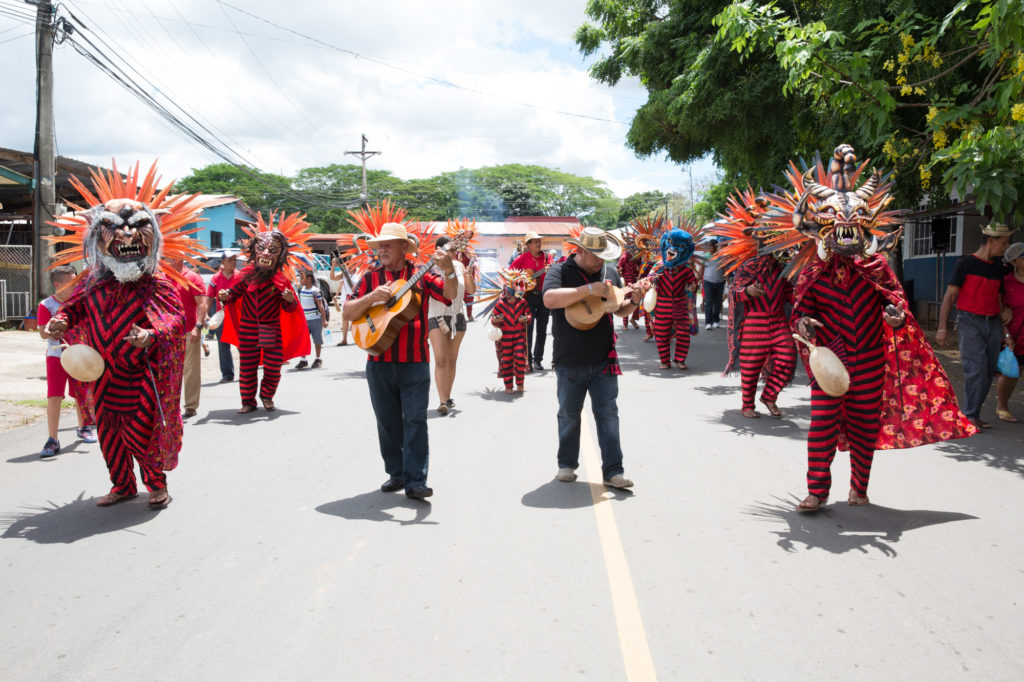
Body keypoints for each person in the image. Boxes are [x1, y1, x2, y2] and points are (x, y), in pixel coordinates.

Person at [44, 163, 215, 509]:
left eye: (137, 228)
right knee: (109, 435)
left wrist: (151, 334)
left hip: (142, 376)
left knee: (142, 433)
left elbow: (174, 319)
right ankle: (121, 485)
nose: (126, 236)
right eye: (113, 229)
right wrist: (59, 321)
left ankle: (155, 485)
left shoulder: (158, 284)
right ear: (97, 238)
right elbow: (72, 309)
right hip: (104, 374)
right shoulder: (92, 283)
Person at [343, 222, 458, 499]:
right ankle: (396, 473)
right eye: (380, 246)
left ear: (404, 248)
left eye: (388, 245)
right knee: (388, 422)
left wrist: (451, 269)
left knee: (416, 421)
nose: (382, 250)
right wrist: (372, 297)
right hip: (378, 361)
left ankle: (416, 480)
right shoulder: (370, 278)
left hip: (414, 361)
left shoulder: (421, 276)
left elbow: (450, 294)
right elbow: (347, 311)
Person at [542, 227, 650, 489]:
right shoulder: (559, 271)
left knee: (608, 414)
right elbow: (549, 299)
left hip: (604, 357)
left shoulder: (610, 272)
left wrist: (634, 300)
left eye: (604, 255)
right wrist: (588, 289)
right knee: (569, 414)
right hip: (569, 357)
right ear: (580, 251)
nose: (601, 260)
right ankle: (566, 465)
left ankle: (614, 471)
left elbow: (616, 308)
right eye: (596, 255)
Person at [219, 214, 311, 414]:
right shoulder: (245, 278)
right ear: (254, 251)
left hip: (271, 329)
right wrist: (225, 296)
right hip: (247, 329)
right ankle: (248, 401)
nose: (267, 253)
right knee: (247, 367)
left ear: (281, 255)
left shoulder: (282, 281)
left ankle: (267, 395)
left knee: (273, 366)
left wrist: (290, 300)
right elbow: (232, 298)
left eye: (273, 250)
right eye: (262, 248)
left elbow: (290, 309)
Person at [937, 222, 1014, 429]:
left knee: (989, 371)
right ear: (991, 241)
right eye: (1004, 242)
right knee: (977, 369)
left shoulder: (998, 268)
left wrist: (1006, 333)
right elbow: (949, 296)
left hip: (993, 324)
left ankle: (974, 414)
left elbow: (999, 302)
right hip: (970, 322)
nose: (1006, 247)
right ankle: (969, 416)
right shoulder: (966, 263)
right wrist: (942, 328)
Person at [726, 247, 796, 418]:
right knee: (751, 366)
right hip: (754, 320)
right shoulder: (749, 266)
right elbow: (734, 293)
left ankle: (769, 396)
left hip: (779, 321)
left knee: (788, 358)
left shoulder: (784, 269)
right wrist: (748, 291)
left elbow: (790, 295)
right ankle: (747, 404)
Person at [36, 265, 97, 457]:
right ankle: (52, 439)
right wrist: (52, 332)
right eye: (72, 282)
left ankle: (84, 427)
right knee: (54, 396)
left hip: (79, 355)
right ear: (57, 284)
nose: (76, 285)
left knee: (80, 393)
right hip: (56, 356)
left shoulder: (79, 302)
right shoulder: (46, 305)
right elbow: (43, 333)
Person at [427, 235, 476, 414]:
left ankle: (447, 397)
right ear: (439, 250)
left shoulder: (460, 265)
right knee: (440, 359)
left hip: (457, 316)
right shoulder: (431, 266)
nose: (454, 253)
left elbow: (471, 291)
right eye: (451, 249)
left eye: (455, 249)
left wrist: (469, 275)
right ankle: (442, 401)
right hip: (437, 315)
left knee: (451, 360)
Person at [652, 228, 699, 370]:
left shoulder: (686, 270)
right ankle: (664, 361)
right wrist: (654, 279)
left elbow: (694, 283)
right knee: (661, 334)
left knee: (684, 333)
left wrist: (693, 287)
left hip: (680, 304)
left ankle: (680, 359)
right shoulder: (659, 267)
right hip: (662, 305)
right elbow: (648, 280)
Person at [170, 259, 207, 418]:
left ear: (180, 258)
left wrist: (198, 327)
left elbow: (202, 304)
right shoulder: (162, 276)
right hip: (169, 333)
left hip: (188, 330)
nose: (167, 260)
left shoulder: (192, 277)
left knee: (190, 369)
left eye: (171, 257)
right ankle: (170, 404)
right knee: (170, 369)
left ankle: (190, 405)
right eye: (166, 257)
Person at [510, 232, 552, 371]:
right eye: (535, 242)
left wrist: (550, 270)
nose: (538, 244)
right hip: (527, 297)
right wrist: (523, 281)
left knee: (542, 329)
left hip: (544, 296)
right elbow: (510, 275)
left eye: (539, 241)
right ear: (528, 245)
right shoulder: (522, 258)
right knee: (528, 329)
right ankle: (527, 360)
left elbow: (554, 271)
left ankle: (538, 360)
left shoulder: (547, 257)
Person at [995, 241, 1024, 421]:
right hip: (1016, 335)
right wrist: (1005, 334)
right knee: (1012, 372)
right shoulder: (1007, 283)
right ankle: (1002, 406)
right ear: (1014, 262)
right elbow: (1000, 309)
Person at [490, 271, 532, 393]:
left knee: (520, 358)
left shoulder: (522, 302)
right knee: (507, 361)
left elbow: (529, 314)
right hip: (505, 338)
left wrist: (526, 319)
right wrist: (496, 319)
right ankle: (508, 386)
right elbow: (493, 318)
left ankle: (520, 383)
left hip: (519, 336)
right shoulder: (500, 303)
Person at [205, 253, 243, 383]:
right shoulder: (216, 278)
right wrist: (206, 314)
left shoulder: (240, 276)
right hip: (222, 316)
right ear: (223, 262)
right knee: (223, 345)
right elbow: (209, 297)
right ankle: (227, 374)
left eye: (234, 260)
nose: (234, 262)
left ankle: (245, 371)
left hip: (238, 316)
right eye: (230, 260)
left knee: (242, 344)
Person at [295, 269, 327, 369]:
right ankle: (303, 360)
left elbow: (320, 306)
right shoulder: (301, 290)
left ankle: (318, 358)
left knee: (317, 339)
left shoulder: (315, 291)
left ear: (309, 279)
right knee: (303, 340)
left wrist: (323, 320)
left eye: (302, 278)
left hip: (315, 319)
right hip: (304, 319)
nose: (300, 280)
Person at [329, 254, 355, 345]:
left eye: (355, 260)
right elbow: (332, 278)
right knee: (345, 318)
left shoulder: (360, 272)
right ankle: (344, 339)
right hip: (346, 298)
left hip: (356, 297)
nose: (354, 262)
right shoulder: (345, 272)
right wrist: (333, 266)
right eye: (352, 260)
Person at [702, 238, 727, 329]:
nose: (712, 248)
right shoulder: (705, 257)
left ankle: (716, 321)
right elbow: (701, 269)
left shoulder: (721, 256)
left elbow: (724, 269)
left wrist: (727, 280)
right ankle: (708, 322)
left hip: (719, 282)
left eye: (713, 246)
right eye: (710, 246)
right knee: (709, 302)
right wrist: (697, 280)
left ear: (716, 247)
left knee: (718, 302)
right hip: (708, 282)